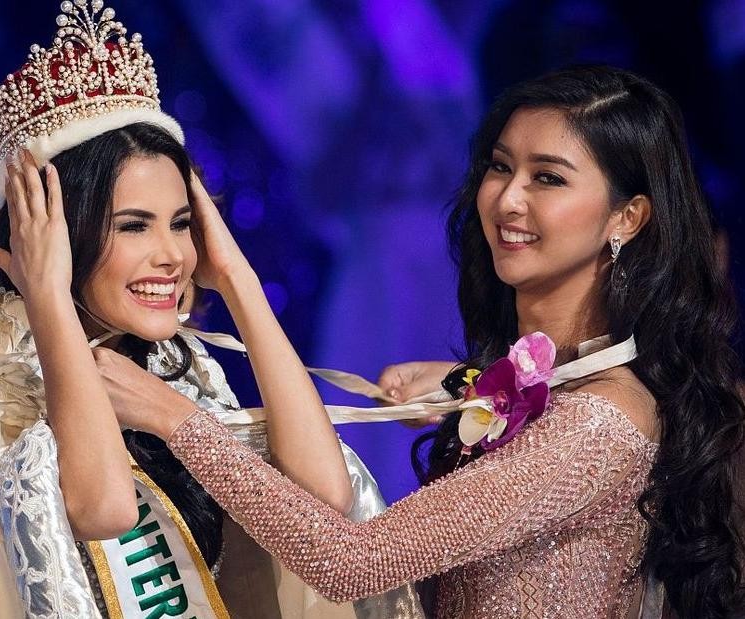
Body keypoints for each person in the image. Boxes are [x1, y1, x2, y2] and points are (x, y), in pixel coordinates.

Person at [102, 66, 745, 618]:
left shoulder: (596, 425)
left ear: (626, 218)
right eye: (501, 167)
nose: (507, 198)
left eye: (548, 178)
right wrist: (471, 385)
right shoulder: (554, 383)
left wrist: (176, 419)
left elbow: (353, 563)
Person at [0, 3, 420, 617]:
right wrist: (48, 294)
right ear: (60, 233)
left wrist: (236, 278)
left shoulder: (172, 365)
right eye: (134, 226)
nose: (172, 256)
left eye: (181, 223)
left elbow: (325, 494)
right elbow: (104, 509)